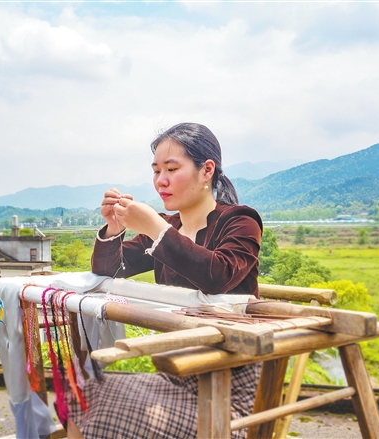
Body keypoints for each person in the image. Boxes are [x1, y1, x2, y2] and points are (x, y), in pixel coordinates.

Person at [67, 122, 263, 439]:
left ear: (206, 170)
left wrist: (156, 229)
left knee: (105, 405)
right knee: (82, 391)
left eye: (172, 169)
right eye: (156, 170)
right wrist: (114, 230)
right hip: (175, 374)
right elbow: (110, 270)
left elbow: (218, 276)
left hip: (227, 386)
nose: (161, 181)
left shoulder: (240, 220)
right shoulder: (167, 227)